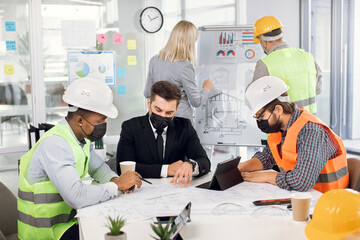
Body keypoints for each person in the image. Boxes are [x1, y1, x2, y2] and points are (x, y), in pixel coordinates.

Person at [17, 78, 142, 240]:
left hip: (66, 222)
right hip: (45, 233)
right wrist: (117, 185)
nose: (104, 125)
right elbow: (75, 196)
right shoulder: (56, 144)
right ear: (80, 120)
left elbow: (97, 168)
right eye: (100, 121)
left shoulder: (79, 139)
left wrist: (115, 179)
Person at [238, 76, 349, 193]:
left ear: (278, 110)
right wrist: (242, 167)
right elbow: (268, 157)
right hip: (301, 197)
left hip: (327, 201)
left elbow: (301, 182)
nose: (260, 121)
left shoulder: (312, 131)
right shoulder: (281, 129)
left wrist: (265, 176)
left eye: (261, 116)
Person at [117, 81, 210, 186]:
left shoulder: (185, 127)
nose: (162, 116)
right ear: (149, 104)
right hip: (142, 190)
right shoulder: (130, 127)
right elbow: (124, 169)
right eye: (158, 110)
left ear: (176, 109)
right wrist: (167, 170)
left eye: (169, 113)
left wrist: (191, 165)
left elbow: (204, 161)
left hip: (175, 190)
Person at [144, 20, 214, 121]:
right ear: (189, 43)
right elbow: (196, 102)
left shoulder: (154, 60)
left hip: (158, 119)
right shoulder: (185, 66)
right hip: (179, 120)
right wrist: (206, 89)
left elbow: (147, 93)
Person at [252, 16, 322, 114]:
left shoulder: (265, 64)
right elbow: (318, 89)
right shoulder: (307, 57)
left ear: (263, 41)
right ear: (281, 35)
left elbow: (255, 99)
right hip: (310, 124)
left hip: (283, 125)